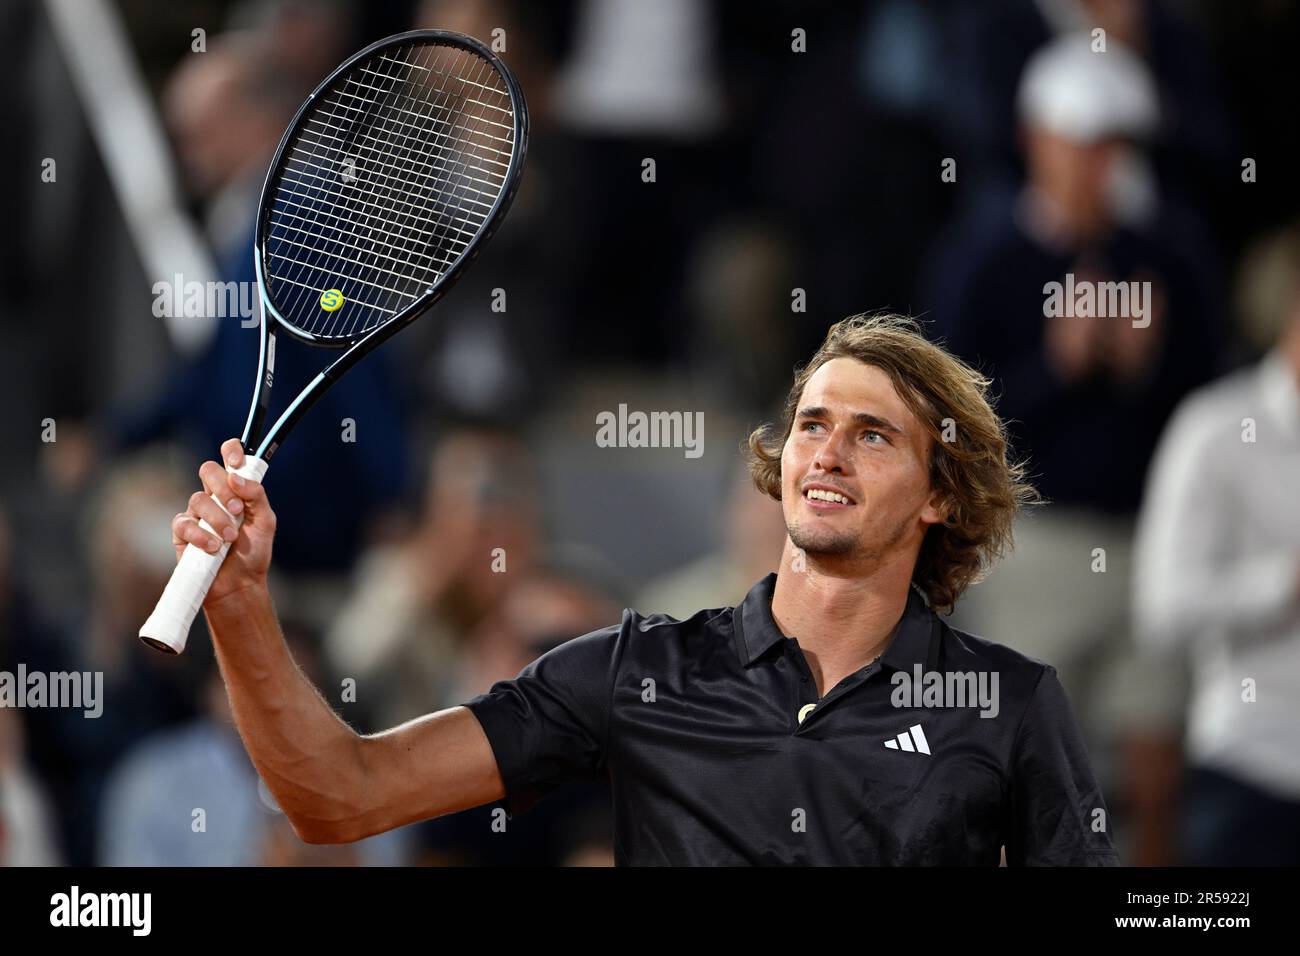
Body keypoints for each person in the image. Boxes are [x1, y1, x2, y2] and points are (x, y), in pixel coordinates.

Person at [170, 313, 1118, 865]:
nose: (827, 452)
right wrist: (242, 605)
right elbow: (339, 793)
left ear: (942, 496)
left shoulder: (1008, 706)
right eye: (813, 425)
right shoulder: (631, 671)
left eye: (873, 435)